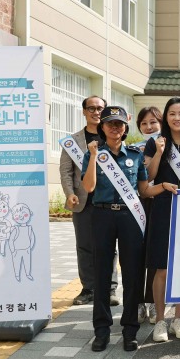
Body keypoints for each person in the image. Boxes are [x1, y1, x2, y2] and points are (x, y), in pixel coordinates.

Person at [81, 106, 156, 352]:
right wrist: (93, 157)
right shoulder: (93, 154)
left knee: (133, 274)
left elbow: (144, 190)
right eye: (110, 123)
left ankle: (129, 329)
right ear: (102, 127)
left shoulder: (135, 155)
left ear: (126, 127)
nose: (115, 127)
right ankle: (101, 331)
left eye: (120, 123)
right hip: (101, 215)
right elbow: (89, 187)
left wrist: (164, 186)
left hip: (129, 216)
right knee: (102, 274)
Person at [144, 97, 180, 343]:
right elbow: (149, 175)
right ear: (165, 117)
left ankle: (179, 318)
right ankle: (159, 320)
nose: (177, 118)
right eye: (172, 114)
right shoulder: (155, 142)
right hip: (164, 207)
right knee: (162, 268)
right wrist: (158, 152)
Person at [59, 95, 119, 306]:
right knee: (84, 245)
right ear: (84, 112)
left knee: (109, 246)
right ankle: (88, 289)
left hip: (109, 200)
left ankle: (110, 290)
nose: (96, 112)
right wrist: (68, 193)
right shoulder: (72, 141)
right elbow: (66, 171)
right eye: (91, 108)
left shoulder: (113, 134)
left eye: (100, 108)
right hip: (83, 201)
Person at [135, 106, 162, 325]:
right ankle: (137, 302)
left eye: (153, 121)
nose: (149, 126)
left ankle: (153, 301)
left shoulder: (167, 144)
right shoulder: (132, 149)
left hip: (159, 203)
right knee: (135, 253)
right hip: (139, 204)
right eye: (144, 123)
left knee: (155, 253)